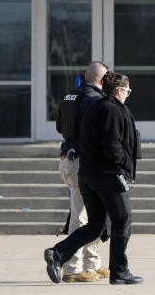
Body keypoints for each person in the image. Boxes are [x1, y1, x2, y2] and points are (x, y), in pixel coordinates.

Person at [44, 73, 142, 285]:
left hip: (88, 175)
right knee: (123, 219)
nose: (128, 95)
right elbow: (112, 145)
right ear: (118, 90)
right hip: (107, 174)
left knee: (96, 225)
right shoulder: (111, 109)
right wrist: (123, 168)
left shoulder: (95, 108)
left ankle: (57, 254)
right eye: (127, 91)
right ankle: (120, 271)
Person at [54, 61, 109, 283]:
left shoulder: (70, 97)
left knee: (93, 214)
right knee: (81, 216)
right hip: (82, 163)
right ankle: (72, 268)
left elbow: (60, 127)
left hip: (67, 159)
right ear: (102, 80)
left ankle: (91, 263)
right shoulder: (95, 100)